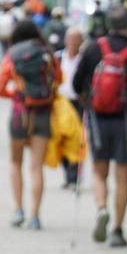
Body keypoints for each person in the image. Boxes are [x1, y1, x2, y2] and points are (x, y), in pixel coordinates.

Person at [71, 6, 127, 248]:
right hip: (126, 121)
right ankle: (117, 229)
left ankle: (101, 208)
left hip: (98, 119)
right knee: (123, 176)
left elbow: (76, 84)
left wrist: (88, 98)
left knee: (99, 171)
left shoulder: (93, 48)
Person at [0, 20, 59, 230]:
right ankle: (35, 216)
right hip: (43, 113)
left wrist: (17, 94)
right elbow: (58, 78)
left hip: (19, 113)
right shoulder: (46, 53)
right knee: (36, 166)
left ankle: (18, 209)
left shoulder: (12, 55)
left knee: (16, 163)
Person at [56, 26, 86, 190]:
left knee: (77, 140)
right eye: (70, 38)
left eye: (76, 39)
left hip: (77, 103)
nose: (73, 42)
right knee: (61, 139)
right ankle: (67, 171)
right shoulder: (58, 57)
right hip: (61, 103)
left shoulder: (84, 59)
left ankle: (74, 175)